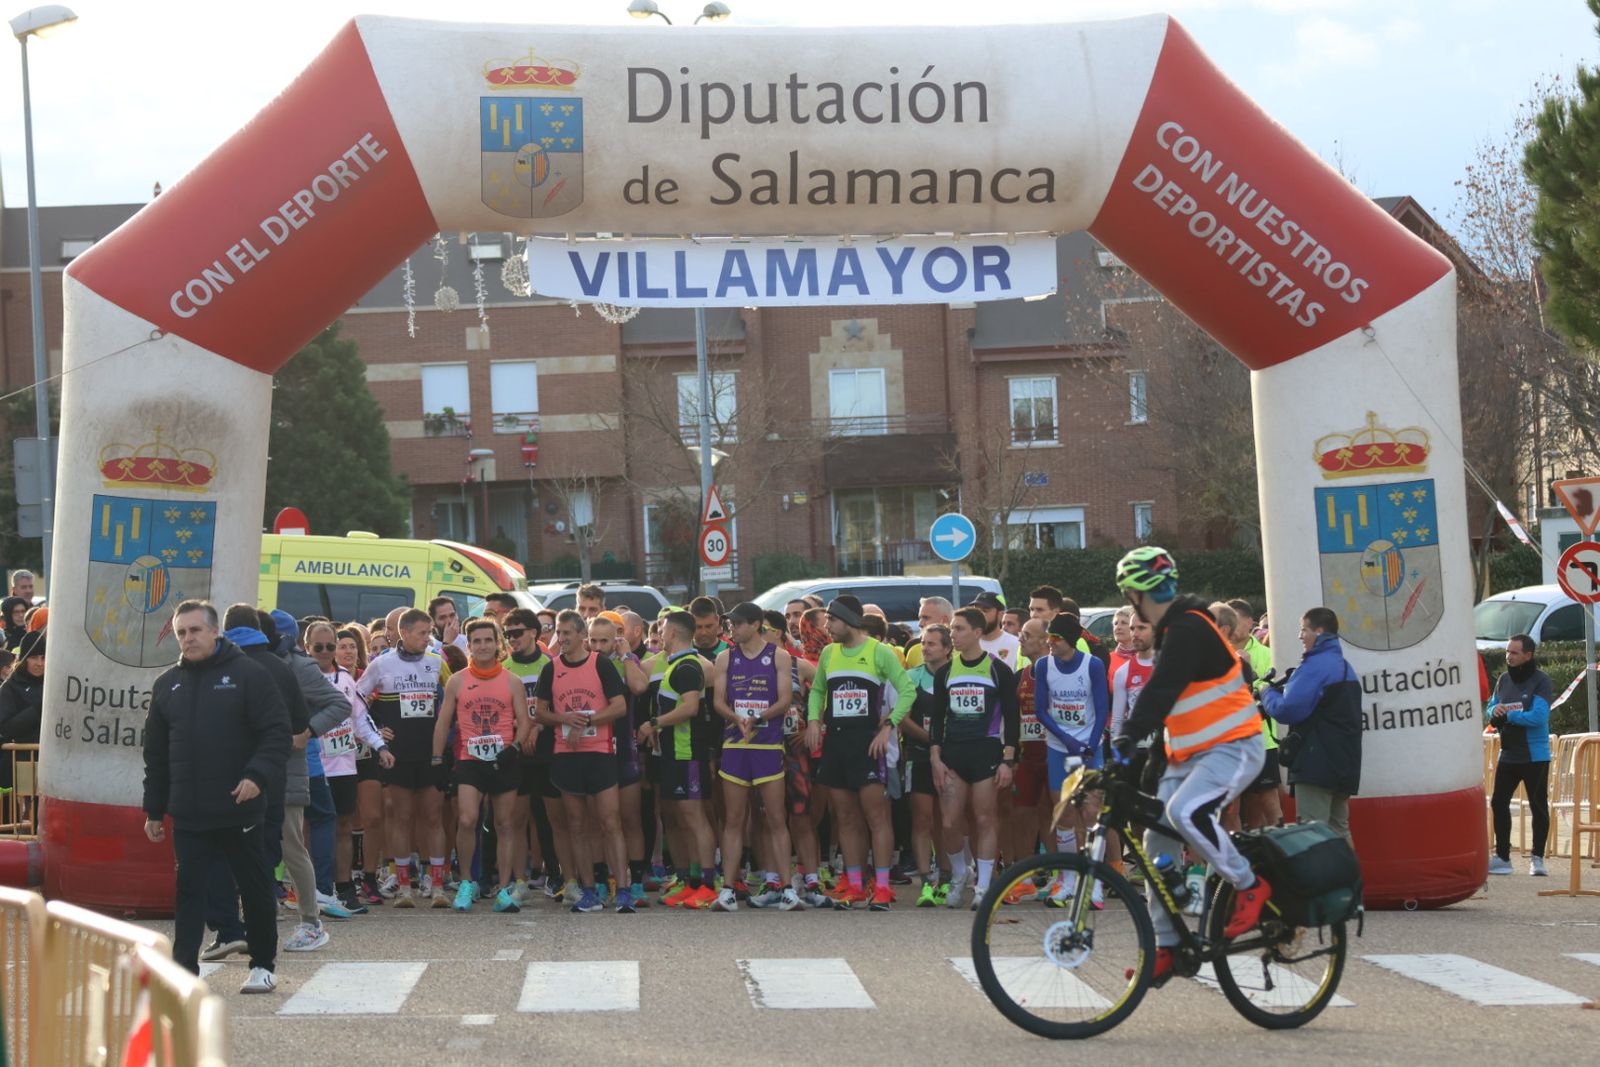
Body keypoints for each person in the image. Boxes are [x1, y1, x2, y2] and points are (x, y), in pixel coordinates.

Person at [1110, 547, 1270, 984]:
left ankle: (1248, 884)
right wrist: (1142, 766)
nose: (1129, 601)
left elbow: (1160, 692)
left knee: (1187, 812)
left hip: (1235, 747)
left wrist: (1125, 736)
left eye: (1128, 594)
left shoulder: (1190, 628)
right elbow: (1174, 708)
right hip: (1189, 753)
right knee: (1156, 841)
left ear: (1138, 593)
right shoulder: (1171, 634)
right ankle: (1168, 947)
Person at [142, 600, 289, 991]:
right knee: (189, 891)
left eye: (195, 630)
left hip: (239, 806)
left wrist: (257, 776)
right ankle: (183, 971)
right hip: (190, 811)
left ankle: (262, 964)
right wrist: (154, 809)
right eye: (181, 633)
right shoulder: (166, 684)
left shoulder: (249, 675)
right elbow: (155, 754)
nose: (188, 639)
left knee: (254, 885)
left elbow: (276, 731)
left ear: (215, 632)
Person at [806, 595, 915, 911]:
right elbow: (818, 691)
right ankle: (854, 884)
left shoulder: (879, 652)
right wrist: (814, 720)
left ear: (849, 621)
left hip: (868, 743)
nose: (827, 627)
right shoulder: (829, 653)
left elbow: (906, 690)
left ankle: (882, 886)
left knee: (876, 816)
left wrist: (889, 726)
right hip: (837, 743)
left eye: (832, 620)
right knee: (846, 817)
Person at [535, 610, 633, 913]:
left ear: (581, 636)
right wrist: (563, 718)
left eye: (567, 633)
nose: (561, 639)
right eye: (559, 634)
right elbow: (540, 712)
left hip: (600, 752)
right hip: (566, 755)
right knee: (576, 824)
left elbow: (619, 706)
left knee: (609, 821)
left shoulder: (600, 664)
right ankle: (588, 890)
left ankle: (624, 890)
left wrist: (586, 719)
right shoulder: (551, 669)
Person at [357, 608, 450, 908]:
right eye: (422, 633)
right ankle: (405, 887)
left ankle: (436, 885)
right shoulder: (381, 664)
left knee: (433, 817)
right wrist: (375, 733)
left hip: (430, 753)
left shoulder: (437, 662)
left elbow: (456, 697)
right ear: (405, 633)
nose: (428, 638)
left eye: (430, 633)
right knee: (402, 817)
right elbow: (356, 702)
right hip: (398, 755)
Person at [435, 617, 529, 911]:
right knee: (466, 819)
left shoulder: (512, 681)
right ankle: (466, 882)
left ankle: (503, 889)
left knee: (504, 823)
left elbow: (525, 722)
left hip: (503, 761)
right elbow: (443, 722)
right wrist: (437, 759)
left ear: (498, 644)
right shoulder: (458, 680)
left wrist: (514, 748)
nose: (483, 646)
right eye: (477, 641)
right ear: (470, 645)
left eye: (489, 640)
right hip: (469, 759)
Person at [929, 606, 1019, 910]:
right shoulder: (945, 672)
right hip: (953, 754)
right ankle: (959, 874)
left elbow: (1012, 717)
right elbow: (937, 718)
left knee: (984, 818)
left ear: (977, 633)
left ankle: (983, 886)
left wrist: (1008, 760)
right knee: (950, 821)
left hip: (986, 752)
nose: (953, 634)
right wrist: (935, 758)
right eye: (952, 629)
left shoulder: (998, 669)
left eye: (959, 629)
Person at [711, 602, 799, 911]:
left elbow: (785, 698)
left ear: (755, 624)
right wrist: (736, 718)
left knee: (775, 818)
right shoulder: (725, 658)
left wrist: (760, 717)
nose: (731, 629)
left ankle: (788, 888)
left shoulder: (779, 656)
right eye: (730, 624)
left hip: (767, 745)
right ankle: (727, 890)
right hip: (736, 745)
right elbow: (718, 701)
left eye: (737, 624)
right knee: (734, 820)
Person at [303, 621, 391, 912]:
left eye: (330, 646)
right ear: (307, 648)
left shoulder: (346, 679)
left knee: (342, 825)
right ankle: (309, 888)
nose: (326, 652)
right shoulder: (300, 677)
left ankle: (344, 888)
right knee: (308, 827)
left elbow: (360, 719)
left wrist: (380, 746)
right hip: (313, 765)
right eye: (320, 647)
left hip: (342, 764)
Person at [1260, 607, 1362, 847]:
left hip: (1316, 762)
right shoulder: (1344, 666)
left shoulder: (1315, 666)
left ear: (1319, 631)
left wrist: (1266, 693)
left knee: (1312, 833)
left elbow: (1287, 710)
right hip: (1344, 761)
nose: (1299, 635)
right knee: (1339, 828)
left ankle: (1324, 884)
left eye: (1303, 629)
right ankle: (1350, 882)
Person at [638, 611, 718, 908]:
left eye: (662, 629)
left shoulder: (686, 666)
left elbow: (690, 708)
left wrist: (653, 724)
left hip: (688, 754)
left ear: (672, 634)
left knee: (695, 819)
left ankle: (708, 884)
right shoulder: (677, 666)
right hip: (674, 754)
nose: (659, 635)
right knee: (684, 819)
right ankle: (693, 881)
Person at [1484, 633, 1552, 876]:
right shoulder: (1503, 679)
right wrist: (1495, 710)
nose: (1508, 656)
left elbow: (1539, 717)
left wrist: (1509, 715)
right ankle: (1503, 858)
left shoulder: (1541, 681)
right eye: (1507, 652)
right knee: (1498, 803)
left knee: (1538, 805)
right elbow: (1491, 708)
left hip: (1535, 755)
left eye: (1514, 652)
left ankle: (1537, 859)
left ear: (1527, 655)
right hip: (1508, 753)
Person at [0, 630, 44, 796]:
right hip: (23, 761)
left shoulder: (57, 682)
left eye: (43, 657)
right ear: (24, 659)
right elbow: (6, 727)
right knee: (24, 817)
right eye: (34, 657)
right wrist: (38, 710)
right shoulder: (10, 686)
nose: (39, 663)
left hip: (55, 763)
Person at [969, 591, 1020, 668]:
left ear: (1000, 615)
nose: (979, 614)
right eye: (977, 610)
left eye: (985, 610)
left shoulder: (1016, 644)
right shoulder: (967, 643)